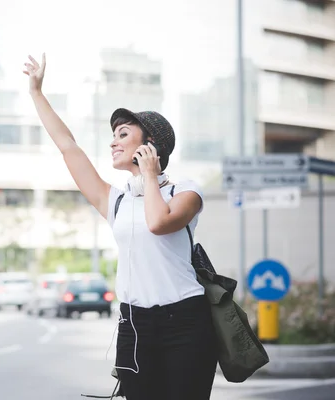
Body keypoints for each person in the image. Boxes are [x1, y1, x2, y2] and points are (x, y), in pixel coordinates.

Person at [23, 54, 218, 400]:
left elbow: (158, 222)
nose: (113, 141)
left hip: (186, 323)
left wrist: (148, 176)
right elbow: (68, 146)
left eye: (123, 134)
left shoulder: (185, 192)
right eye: (113, 134)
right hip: (134, 324)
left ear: (149, 146)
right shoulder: (115, 200)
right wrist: (37, 92)